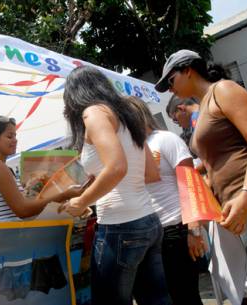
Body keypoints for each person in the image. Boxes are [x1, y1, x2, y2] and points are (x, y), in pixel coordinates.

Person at [155, 49, 247, 301]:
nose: (170, 90)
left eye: (171, 81)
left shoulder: (223, 90)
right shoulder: (203, 109)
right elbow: (213, 166)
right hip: (237, 210)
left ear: (188, 70)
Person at [60, 65, 171, 305]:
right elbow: (150, 173)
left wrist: (81, 202)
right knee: (156, 299)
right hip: (148, 220)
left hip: (120, 226)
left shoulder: (94, 113)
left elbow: (117, 167)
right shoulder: (127, 114)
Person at [128, 96, 204, 305]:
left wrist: (193, 231)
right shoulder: (130, 150)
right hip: (148, 235)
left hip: (175, 230)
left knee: (185, 296)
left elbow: (190, 182)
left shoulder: (165, 139)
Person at [0, 116, 83, 222]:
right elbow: (23, 210)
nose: (15, 140)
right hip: (7, 235)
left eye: (15, 136)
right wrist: (64, 195)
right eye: (10, 136)